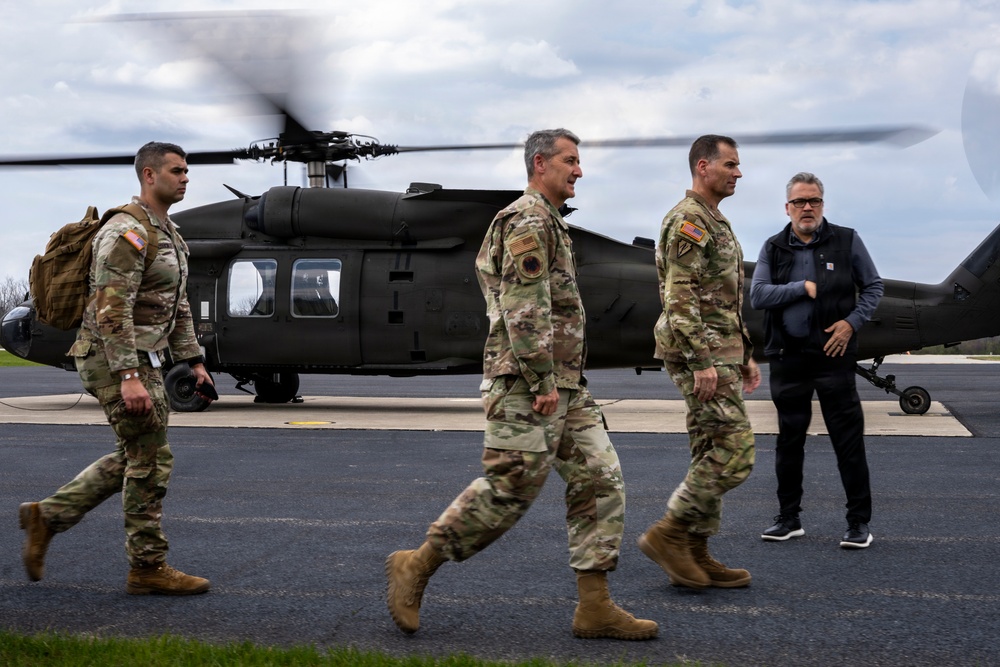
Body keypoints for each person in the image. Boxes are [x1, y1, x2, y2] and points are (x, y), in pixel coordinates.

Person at [384, 128, 658, 640]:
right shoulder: (527, 220)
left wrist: (561, 379)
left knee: (601, 480)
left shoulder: (552, 222)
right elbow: (522, 306)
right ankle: (416, 566)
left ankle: (594, 607)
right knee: (509, 489)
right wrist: (540, 377)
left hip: (564, 383)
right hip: (529, 382)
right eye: (570, 161)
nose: (579, 171)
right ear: (540, 164)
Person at [18, 141, 217, 594]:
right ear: (149, 176)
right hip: (113, 358)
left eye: (187, 171)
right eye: (177, 170)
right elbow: (112, 308)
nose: (185, 177)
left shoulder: (169, 233)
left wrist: (193, 360)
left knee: (137, 454)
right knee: (152, 458)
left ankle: (48, 517)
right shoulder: (127, 232)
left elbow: (177, 305)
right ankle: (147, 567)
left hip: (143, 355)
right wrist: (129, 376)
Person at [637, 134, 760, 590]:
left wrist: (743, 354)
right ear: (703, 166)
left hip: (718, 350)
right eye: (730, 164)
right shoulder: (688, 221)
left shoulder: (715, 221)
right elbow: (680, 296)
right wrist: (702, 360)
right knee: (735, 453)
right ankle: (669, 534)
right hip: (699, 354)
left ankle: (694, 551)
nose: (738, 172)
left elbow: (723, 298)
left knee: (709, 452)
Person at [750, 172, 883, 549]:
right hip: (788, 357)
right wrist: (802, 288)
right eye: (799, 202)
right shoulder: (773, 247)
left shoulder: (847, 240)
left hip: (833, 355)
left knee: (848, 441)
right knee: (789, 441)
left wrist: (852, 323)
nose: (807, 208)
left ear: (823, 204)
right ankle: (788, 519)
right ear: (787, 207)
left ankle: (859, 523)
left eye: (814, 201)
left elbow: (873, 286)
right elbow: (758, 295)